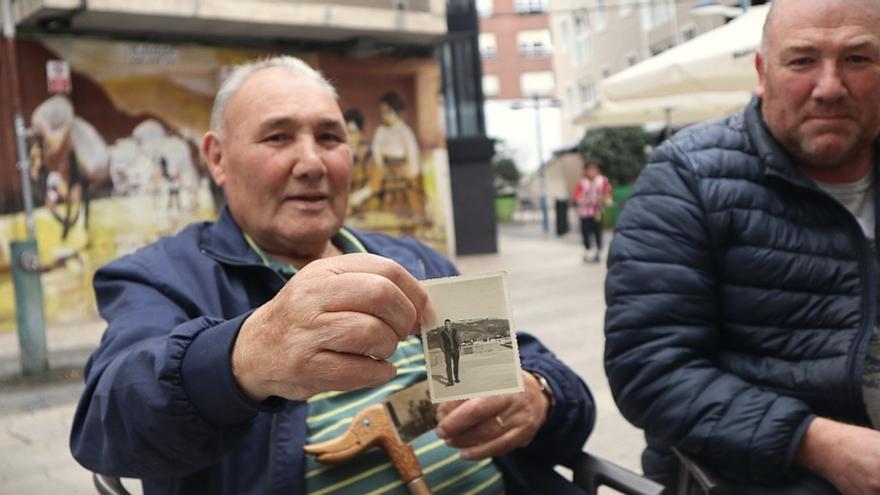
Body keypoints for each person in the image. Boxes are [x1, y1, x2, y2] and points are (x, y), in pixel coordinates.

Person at [70, 55, 595, 495]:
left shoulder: (416, 261)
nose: (312, 163)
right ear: (218, 158)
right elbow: (106, 425)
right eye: (277, 137)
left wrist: (539, 395)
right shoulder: (160, 276)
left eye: (329, 136)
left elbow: (552, 386)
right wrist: (245, 356)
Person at [604, 0, 880, 493]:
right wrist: (816, 443)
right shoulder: (686, 177)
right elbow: (647, 369)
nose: (830, 87)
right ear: (762, 71)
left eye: (858, 59)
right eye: (802, 61)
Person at [572, 159, 612, 263]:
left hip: (597, 212)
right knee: (585, 231)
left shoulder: (602, 180)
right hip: (584, 212)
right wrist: (584, 200)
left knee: (598, 231)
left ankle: (599, 251)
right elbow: (576, 196)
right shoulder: (582, 182)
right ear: (585, 170)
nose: (592, 171)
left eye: (594, 169)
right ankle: (587, 249)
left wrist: (607, 200)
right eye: (590, 169)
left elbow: (607, 193)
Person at [439, 318, 462, 386]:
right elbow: (441, 343)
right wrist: (443, 350)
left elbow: (459, 339)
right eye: (446, 324)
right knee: (448, 366)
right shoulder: (442, 333)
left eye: (448, 324)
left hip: (455, 351)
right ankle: (450, 381)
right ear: (444, 325)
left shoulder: (455, 331)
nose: (447, 325)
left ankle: (456, 378)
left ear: (450, 324)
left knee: (456, 365)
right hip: (447, 352)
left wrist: (459, 347)